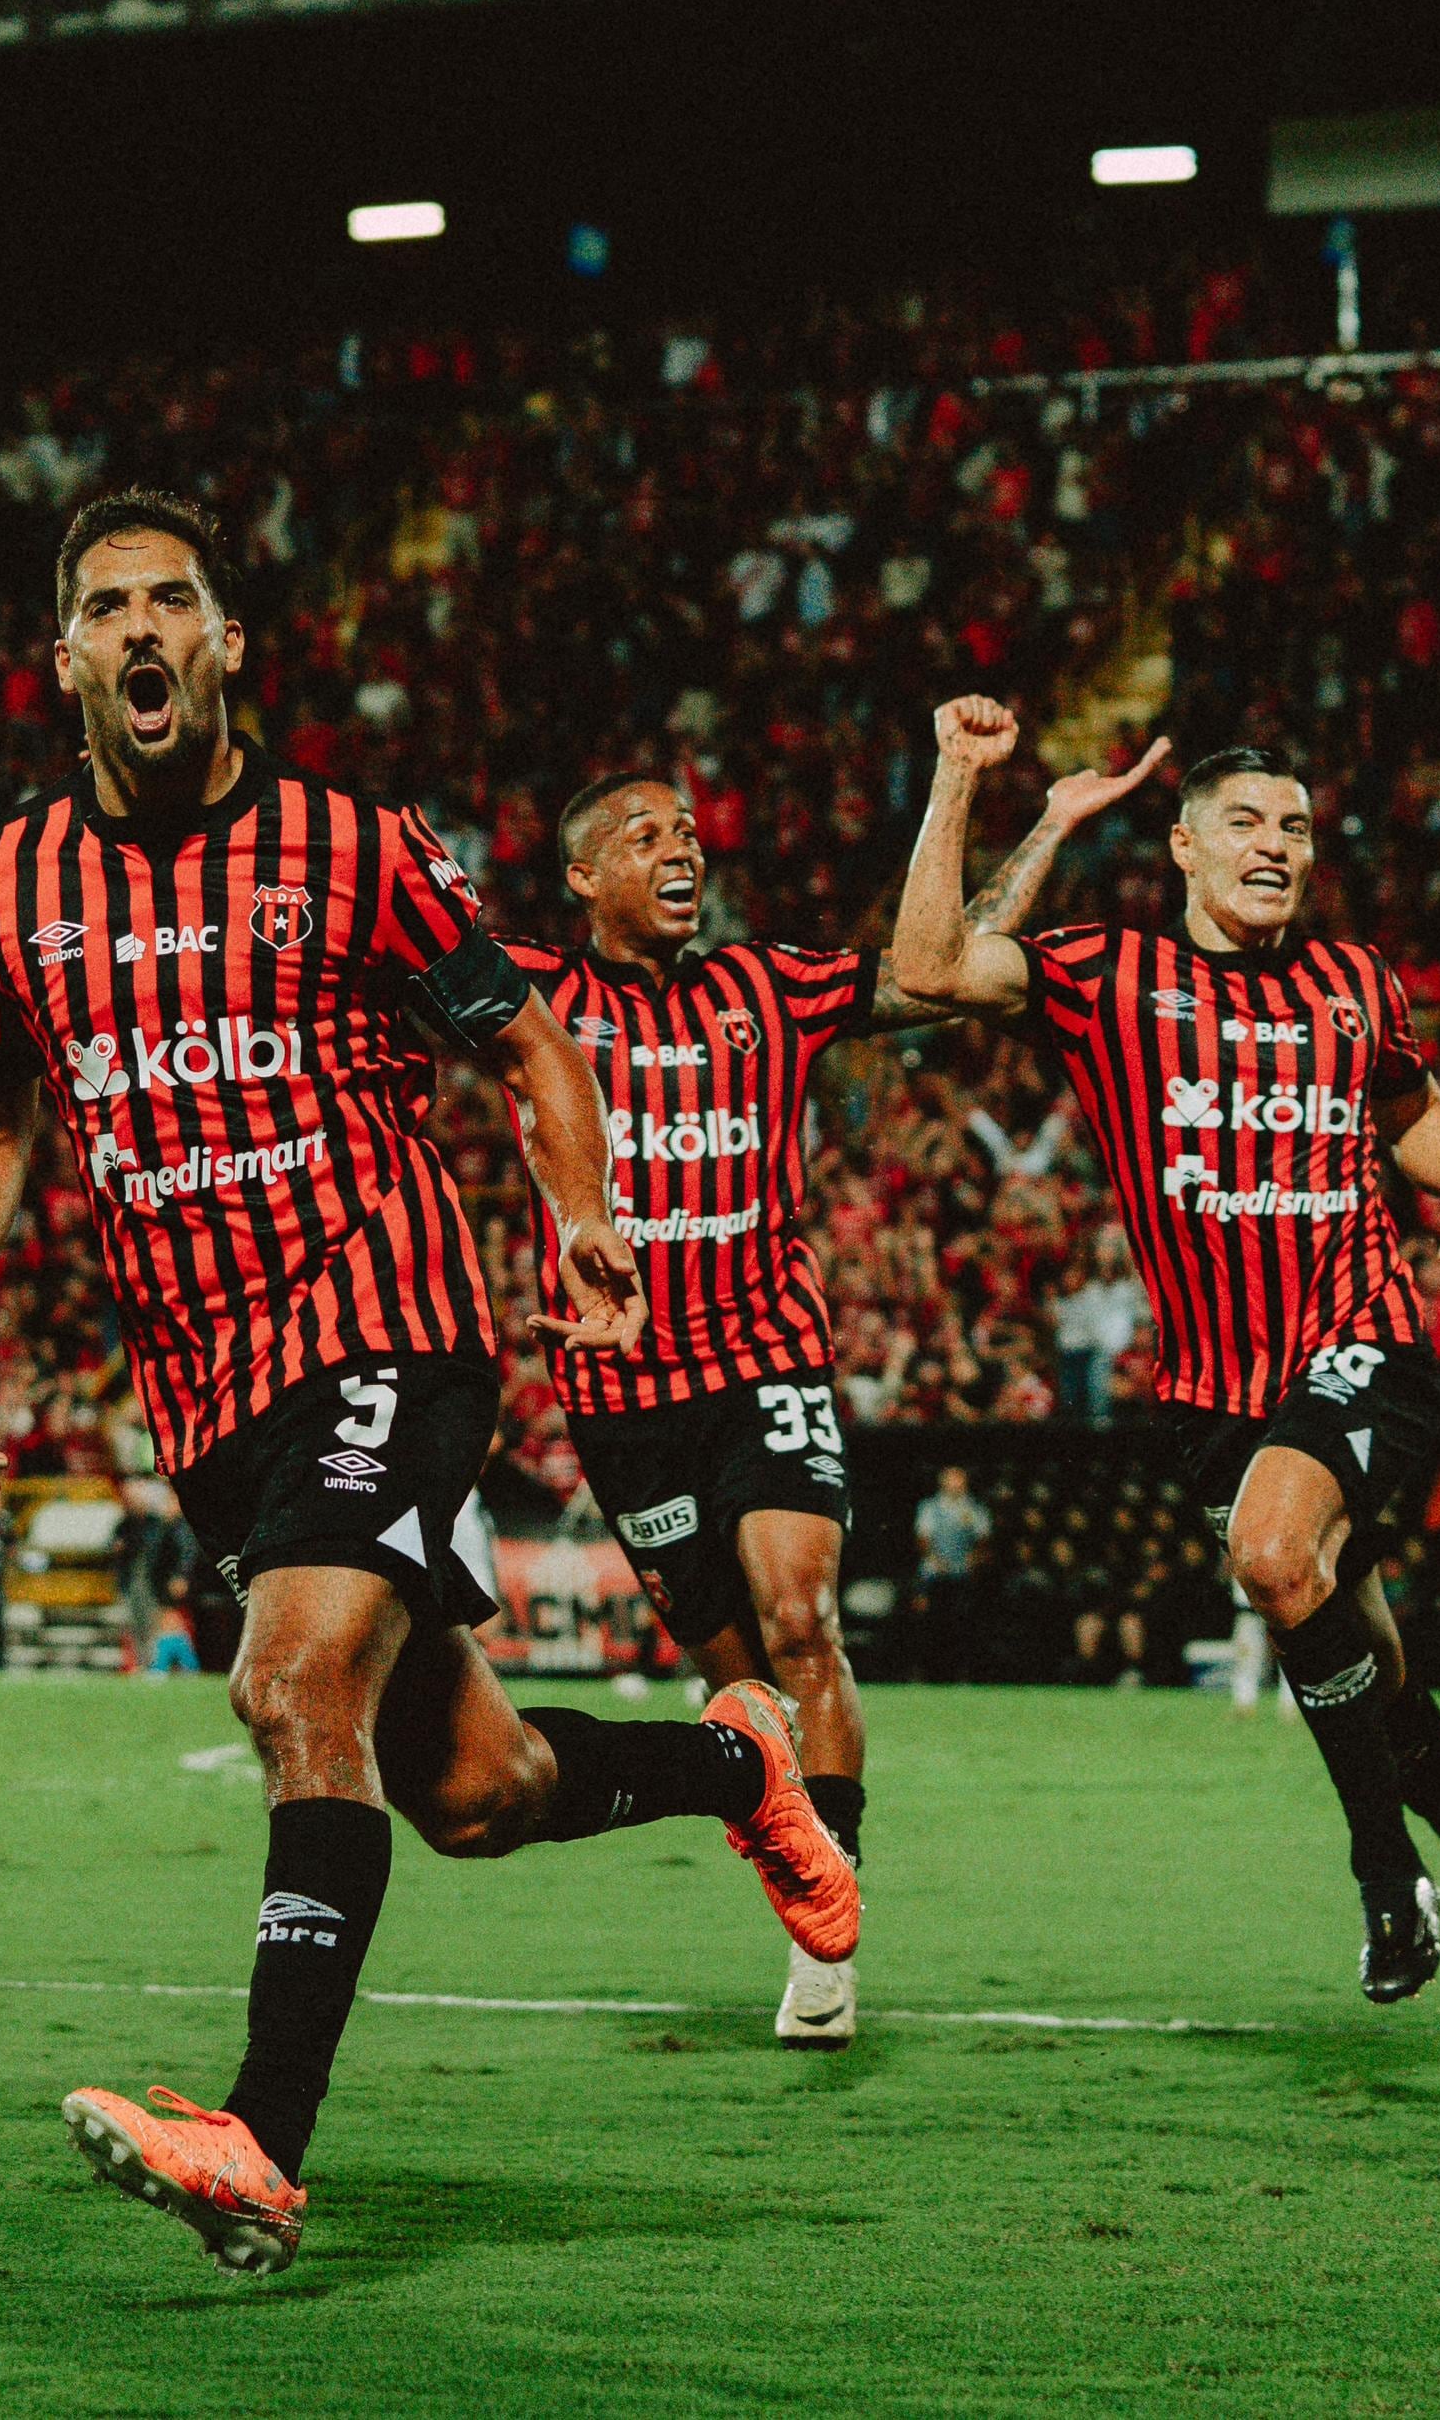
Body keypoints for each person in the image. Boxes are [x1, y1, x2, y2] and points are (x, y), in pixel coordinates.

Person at [0, 490, 854, 2278]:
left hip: (385, 1324)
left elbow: (527, 1034)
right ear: (65, 662)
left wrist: (582, 1214)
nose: (144, 629)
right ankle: (736, 1765)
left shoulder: (351, 845)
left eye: (174, 599)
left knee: (291, 1676)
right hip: (205, 1392)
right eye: (108, 607)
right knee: (476, 1790)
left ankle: (259, 2137)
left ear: (228, 642)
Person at [892, 699, 1440, 2020]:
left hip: (1363, 1326)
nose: (1277, 845)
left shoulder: (1355, 979)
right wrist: (994, 794)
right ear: (1184, 851)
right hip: (1213, 1389)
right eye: (1246, 823)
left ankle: (1386, 1873)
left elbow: (1406, 1099)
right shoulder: (1111, 976)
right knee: (1358, 1653)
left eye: (1296, 826)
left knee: (1268, 1557)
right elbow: (934, 969)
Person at [503, 757, 1136, 2046]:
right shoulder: (527, 999)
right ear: (582, 878)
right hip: (617, 1385)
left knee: (798, 1611)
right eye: (641, 836)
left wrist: (1001, 804)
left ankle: (827, 1917)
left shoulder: (762, 986)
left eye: (688, 829)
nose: (680, 849)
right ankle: (797, 1853)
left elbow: (941, 963)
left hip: (762, 1357)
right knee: (740, 1693)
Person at [115, 1476, 201, 1675]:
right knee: (149, 1624)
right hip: (152, 1581)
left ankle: (179, 1664)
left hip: (165, 1583)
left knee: (170, 1625)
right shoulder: (150, 1525)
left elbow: (186, 1552)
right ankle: (152, 1663)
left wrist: (181, 1575)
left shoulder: (178, 1527)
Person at [911, 1466, 989, 1685]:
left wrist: (972, 1559)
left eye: (959, 1479)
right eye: (951, 1479)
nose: (955, 1484)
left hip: (962, 1575)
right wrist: (936, 1560)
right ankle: (925, 1674)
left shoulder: (973, 1508)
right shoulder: (930, 1507)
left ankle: (961, 1675)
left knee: (962, 1624)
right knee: (929, 1625)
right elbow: (923, 1538)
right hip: (934, 1575)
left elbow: (983, 1538)